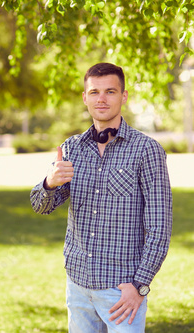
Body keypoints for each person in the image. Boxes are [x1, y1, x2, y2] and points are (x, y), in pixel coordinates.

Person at [30, 62, 172, 332]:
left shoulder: (147, 150)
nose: (102, 99)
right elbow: (41, 206)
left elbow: (159, 227)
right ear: (85, 98)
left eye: (110, 91)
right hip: (78, 285)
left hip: (122, 289)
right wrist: (49, 183)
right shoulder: (71, 148)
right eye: (94, 92)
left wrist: (139, 285)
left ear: (124, 96)